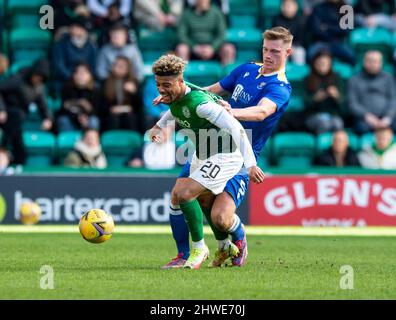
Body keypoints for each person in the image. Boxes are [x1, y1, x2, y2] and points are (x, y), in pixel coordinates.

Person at [155, 27, 292, 268]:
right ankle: (188, 253)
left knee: (220, 218)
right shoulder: (247, 69)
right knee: (183, 194)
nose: (269, 55)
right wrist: (174, 95)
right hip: (209, 145)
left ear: (288, 52)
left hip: (238, 155)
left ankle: (237, 238)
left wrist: (231, 111)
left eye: (275, 51)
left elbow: (261, 112)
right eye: (265, 49)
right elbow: (209, 91)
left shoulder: (280, 88)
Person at [149, 54, 264, 269]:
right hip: (204, 152)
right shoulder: (177, 95)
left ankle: (199, 249)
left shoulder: (202, 105)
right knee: (182, 197)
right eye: (158, 85)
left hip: (226, 155)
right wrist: (159, 126)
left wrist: (251, 164)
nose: (162, 89)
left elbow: (236, 128)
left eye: (166, 85)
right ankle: (194, 252)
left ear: (180, 81)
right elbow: (176, 110)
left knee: (184, 194)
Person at [0, 59, 53, 165]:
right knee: (17, 117)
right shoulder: (18, 79)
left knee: (21, 152)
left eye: (41, 78)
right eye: (37, 76)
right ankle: (4, 147)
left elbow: (43, 105)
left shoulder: (39, 87)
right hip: (7, 113)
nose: (38, 80)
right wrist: (2, 109)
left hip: (16, 120)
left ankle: (14, 165)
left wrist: (47, 118)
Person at [348, 50, 396, 135]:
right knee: (360, 128)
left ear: (381, 63)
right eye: (370, 61)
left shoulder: (389, 78)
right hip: (364, 119)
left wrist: (387, 118)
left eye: (376, 61)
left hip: (387, 118)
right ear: (364, 62)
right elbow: (353, 103)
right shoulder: (354, 79)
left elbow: (393, 100)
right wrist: (367, 116)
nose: (373, 64)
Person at [175, 0, 235, 66]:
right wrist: (194, 47)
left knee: (229, 49)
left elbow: (221, 34)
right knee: (181, 49)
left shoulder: (216, 12)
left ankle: (228, 75)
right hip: (193, 49)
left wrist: (212, 47)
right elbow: (181, 35)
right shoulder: (186, 14)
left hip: (213, 49)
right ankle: (183, 75)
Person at [304, 50, 344, 134]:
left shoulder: (337, 78)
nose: (322, 66)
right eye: (320, 63)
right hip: (313, 115)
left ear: (330, 64)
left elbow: (345, 105)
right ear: (314, 64)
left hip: (333, 115)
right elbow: (304, 104)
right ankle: (321, 146)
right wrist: (315, 99)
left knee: (338, 123)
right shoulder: (308, 79)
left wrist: (337, 96)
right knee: (324, 123)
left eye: (325, 63)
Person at [101, 56, 144, 133]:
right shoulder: (106, 82)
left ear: (128, 68)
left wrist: (134, 92)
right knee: (113, 119)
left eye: (123, 66)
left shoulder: (134, 81)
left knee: (131, 118)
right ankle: (110, 141)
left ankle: (133, 141)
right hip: (112, 112)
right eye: (117, 65)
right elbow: (101, 103)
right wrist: (111, 109)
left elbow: (140, 104)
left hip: (129, 112)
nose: (120, 68)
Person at [57, 63, 101, 132]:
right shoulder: (67, 89)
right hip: (71, 117)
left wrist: (87, 112)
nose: (81, 76)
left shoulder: (95, 90)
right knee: (63, 120)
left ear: (90, 75)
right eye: (78, 73)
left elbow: (98, 112)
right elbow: (63, 109)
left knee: (94, 121)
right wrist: (77, 117)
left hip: (88, 117)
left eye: (84, 73)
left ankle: (92, 141)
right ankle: (68, 142)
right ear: (74, 75)